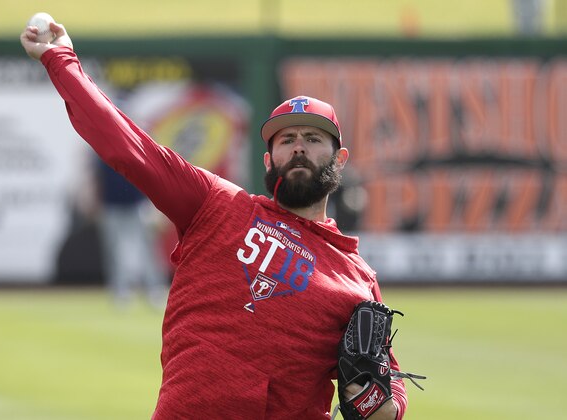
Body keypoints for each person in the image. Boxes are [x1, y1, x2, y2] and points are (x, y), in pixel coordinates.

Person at [20, 20, 408, 419]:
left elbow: (389, 401)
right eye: (286, 140)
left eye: (312, 139)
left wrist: (373, 398)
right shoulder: (217, 205)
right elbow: (124, 142)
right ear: (267, 159)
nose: (298, 149)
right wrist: (60, 59)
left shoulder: (356, 278)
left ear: (339, 159)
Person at [96, 158, 169, 309]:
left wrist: (155, 204)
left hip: (138, 204)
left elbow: (151, 175)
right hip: (111, 205)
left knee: (148, 250)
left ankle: (154, 290)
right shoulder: (101, 149)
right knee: (113, 250)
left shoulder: (135, 142)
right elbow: (96, 176)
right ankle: (120, 292)